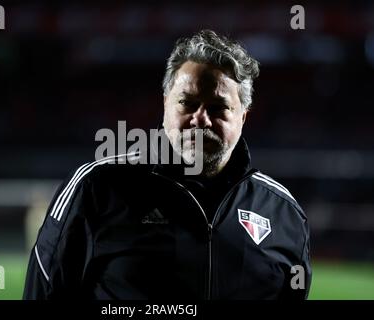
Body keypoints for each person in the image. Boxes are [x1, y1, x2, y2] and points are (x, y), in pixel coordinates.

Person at [23, 30, 312, 300]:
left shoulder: (283, 213)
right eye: (187, 103)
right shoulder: (96, 189)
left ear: (243, 117)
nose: (201, 119)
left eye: (218, 107)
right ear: (165, 105)